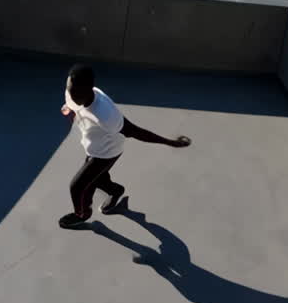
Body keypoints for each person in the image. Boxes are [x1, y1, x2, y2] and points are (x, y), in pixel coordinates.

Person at [58, 64, 191, 229]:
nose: (70, 95)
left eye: (74, 92)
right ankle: (116, 191)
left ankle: (82, 214)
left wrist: (171, 142)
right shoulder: (75, 94)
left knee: (77, 186)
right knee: (96, 179)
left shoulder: (106, 114)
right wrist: (71, 111)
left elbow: (137, 132)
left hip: (106, 153)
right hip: (94, 145)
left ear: (88, 89)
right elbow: (73, 105)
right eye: (69, 90)